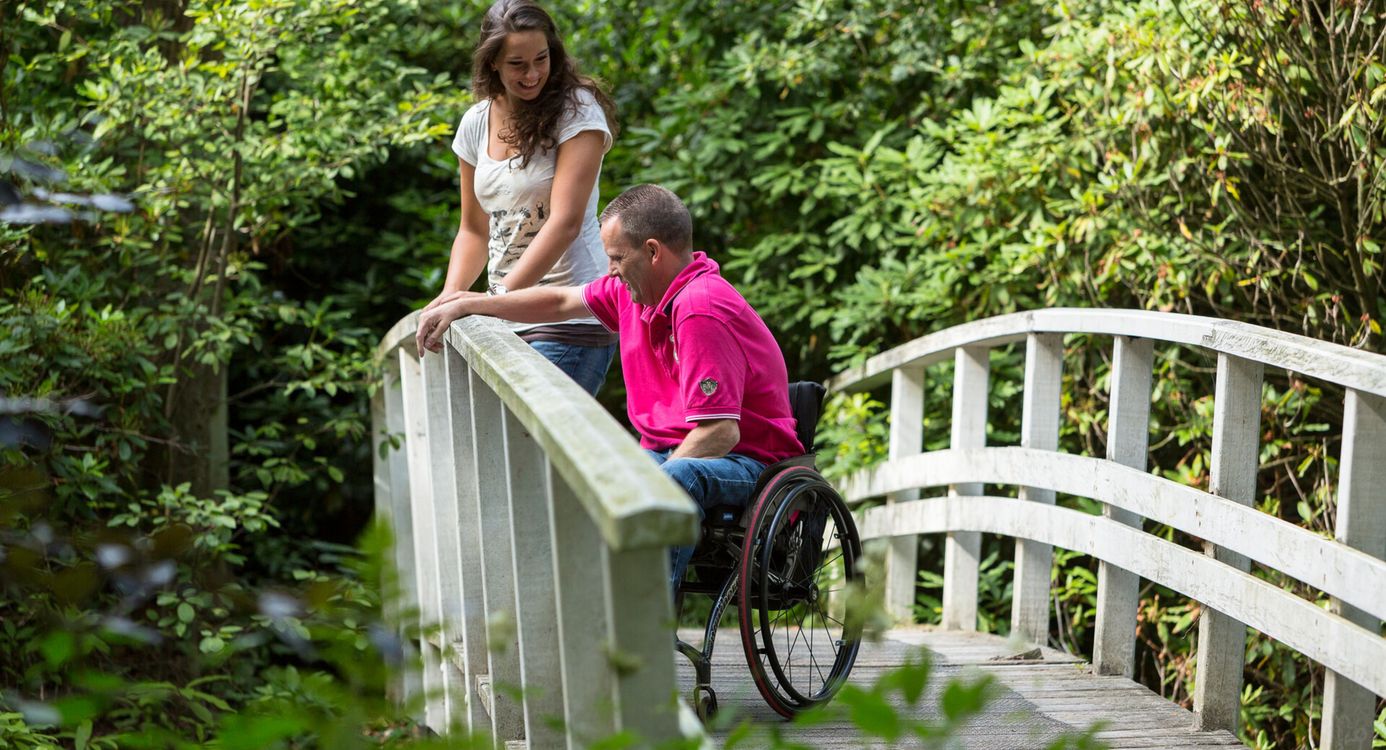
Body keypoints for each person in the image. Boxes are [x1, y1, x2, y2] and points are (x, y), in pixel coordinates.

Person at [417, 184, 803, 587]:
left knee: (664, 483)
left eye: (617, 257)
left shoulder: (699, 308)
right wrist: (471, 302)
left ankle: (646, 636)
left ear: (653, 252)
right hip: (672, 453)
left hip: (749, 464)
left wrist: (642, 485)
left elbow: (721, 432)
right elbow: (561, 303)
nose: (611, 269)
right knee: (582, 479)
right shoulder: (632, 294)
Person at [421, 0, 618, 396]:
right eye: (517, 64)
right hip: (505, 317)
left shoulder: (577, 112)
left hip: (569, 316)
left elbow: (565, 222)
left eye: (541, 59)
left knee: (536, 449)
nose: (532, 74)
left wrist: (491, 300)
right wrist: (451, 294)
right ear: (492, 62)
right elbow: (473, 230)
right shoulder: (476, 122)